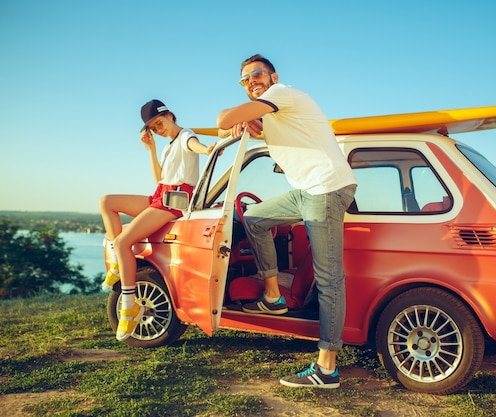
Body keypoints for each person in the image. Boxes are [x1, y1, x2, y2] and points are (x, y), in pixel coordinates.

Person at [216, 54, 357, 389]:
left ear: (273, 76)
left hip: (325, 189)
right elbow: (268, 128)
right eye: (245, 79)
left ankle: (327, 368)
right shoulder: (274, 112)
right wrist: (252, 125)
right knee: (254, 217)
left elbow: (223, 118)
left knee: (329, 279)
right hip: (307, 191)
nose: (251, 81)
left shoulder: (282, 94)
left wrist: (237, 118)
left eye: (257, 74)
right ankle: (273, 296)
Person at [100, 99, 217, 341]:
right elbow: (159, 178)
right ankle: (117, 265)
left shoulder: (185, 135)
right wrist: (151, 149)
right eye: (153, 127)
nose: (158, 129)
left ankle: (129, 305)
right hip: (160, 195)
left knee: (124, 243)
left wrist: (208, 150)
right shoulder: (167, 146)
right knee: (107, 201)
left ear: (170, 116)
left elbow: (194, 145)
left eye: (159, 123)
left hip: (174, 201)